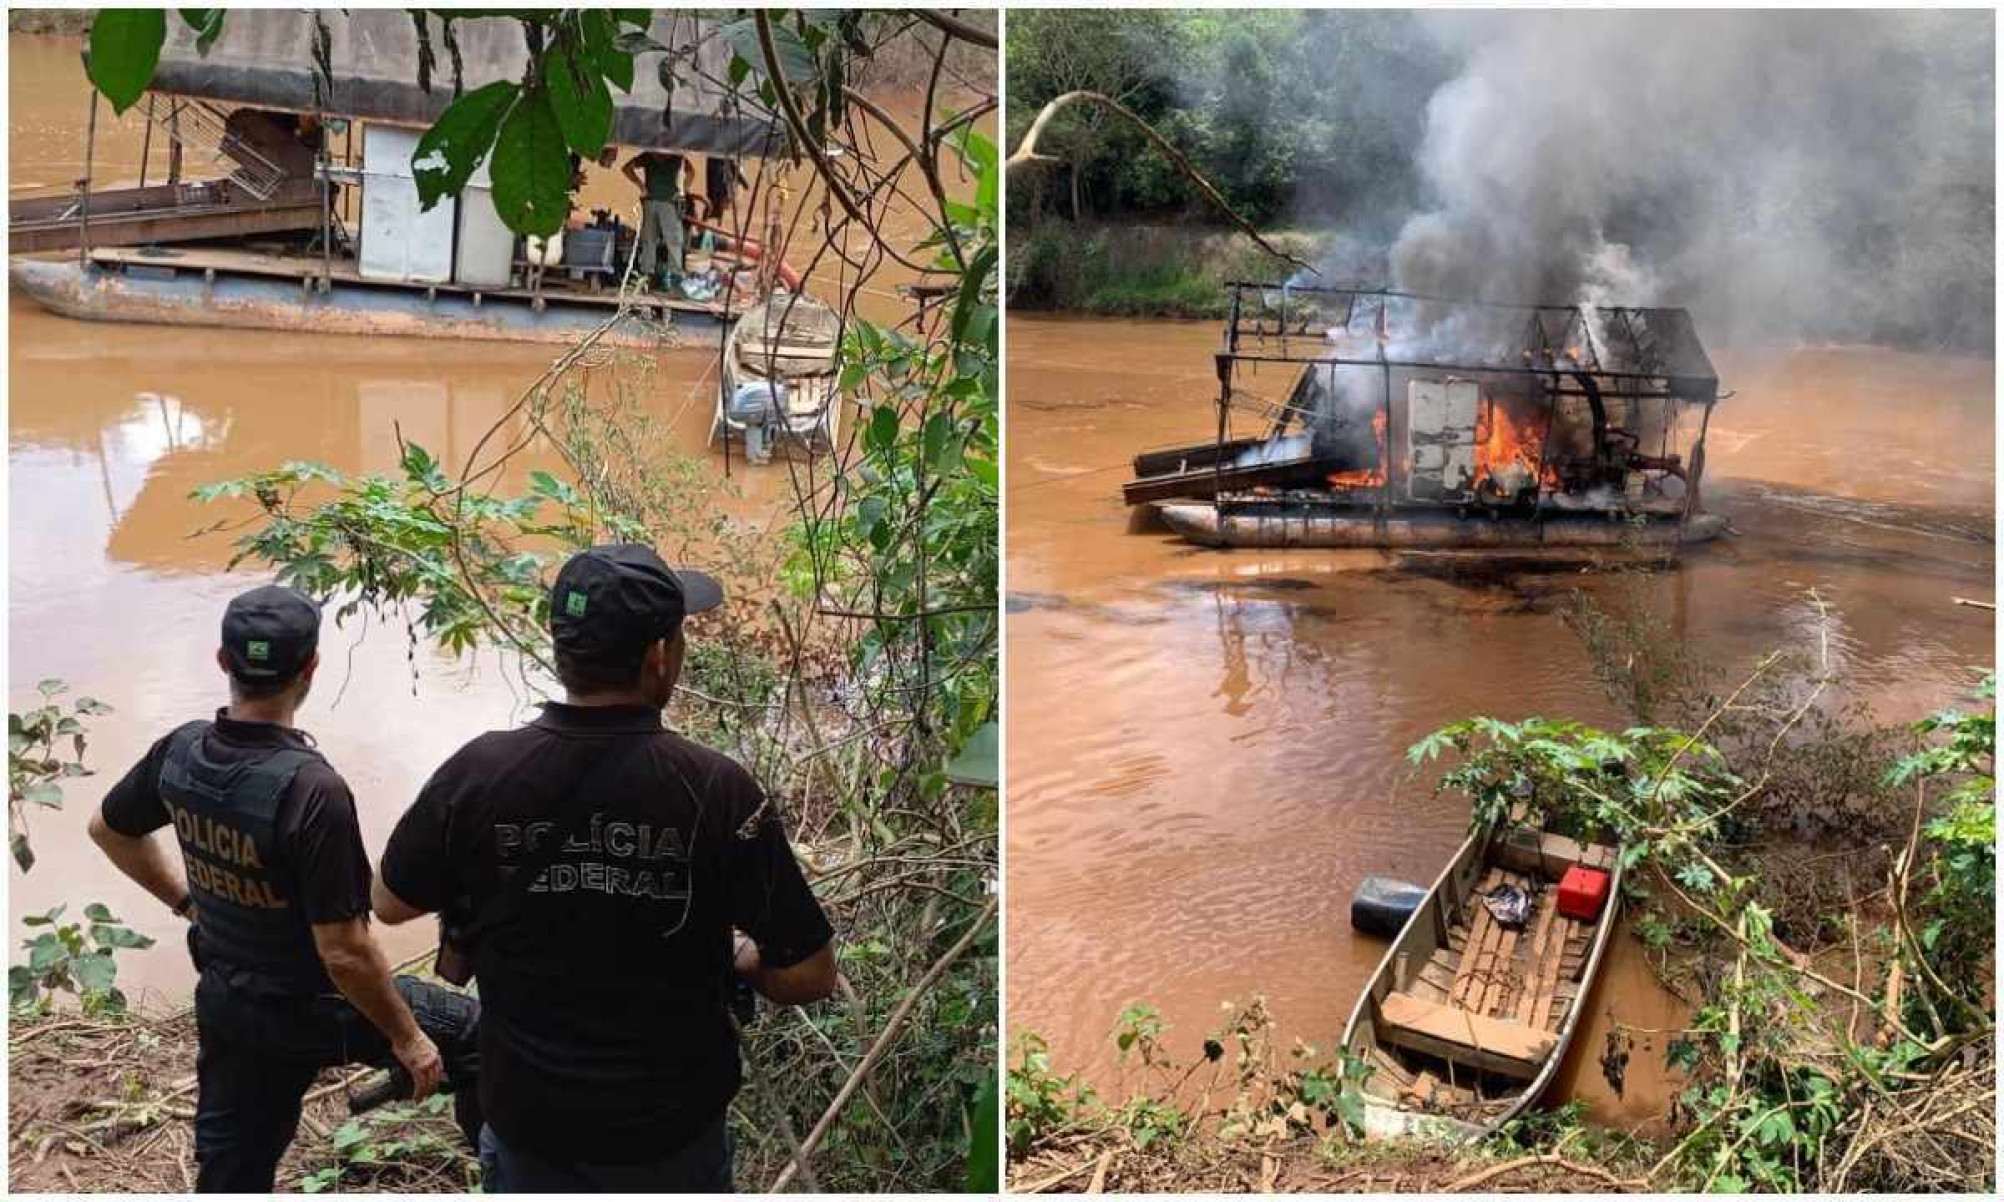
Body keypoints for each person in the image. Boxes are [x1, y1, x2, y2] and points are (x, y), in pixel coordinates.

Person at [372, 544, 838, 1193]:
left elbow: (388, 903)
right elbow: (811, 974)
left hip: (530, 1128)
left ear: (561, 648)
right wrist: (741, 956)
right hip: (669, 1138)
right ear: (658, 656)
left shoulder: (478, 775)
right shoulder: (718, 790)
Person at [87, 585, 482, 1193]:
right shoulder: (311, 790)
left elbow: (108, 830)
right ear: (311, 668)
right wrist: (409, 1039)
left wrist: (188, 903)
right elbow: (344, 954)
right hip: (317, 1007)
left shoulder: (182, 751)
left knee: (232, 1166)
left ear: (223, 661)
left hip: (230, 999)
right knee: (478, 1040)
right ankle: (509, 1171)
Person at [622, 149, 689, 284]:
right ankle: (650, 274)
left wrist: (683, 191)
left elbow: (691, 172)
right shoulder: (651, 155)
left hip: (663, 202)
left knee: (665, 239)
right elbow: (627, 168)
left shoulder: (675, 156)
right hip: (657, 201)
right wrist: (641, 187)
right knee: (655, 239)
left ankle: (666, 275)